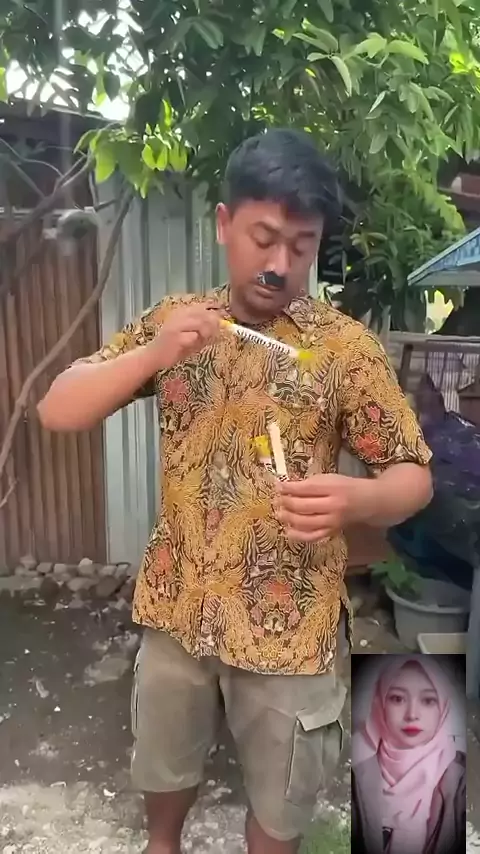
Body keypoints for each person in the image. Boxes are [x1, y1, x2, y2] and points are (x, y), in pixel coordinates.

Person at [37, 128, 433, 854]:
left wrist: (358, 500)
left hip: (292, 628)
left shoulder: (343, 350)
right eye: (264, 238)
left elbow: (414, 475)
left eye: (301, 246)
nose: (279, 265)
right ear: (224, 224)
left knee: (281, 807)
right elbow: (58, 409)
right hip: (178, 608)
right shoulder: (179, 324)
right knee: (163, 769)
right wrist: (155, 354)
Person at [351, 656, 466, 854]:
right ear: (381, 705)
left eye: (428, 700)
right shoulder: (355, 772)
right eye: (397, 698)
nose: (412, 714)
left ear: (443, 708)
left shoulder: (463, 779)